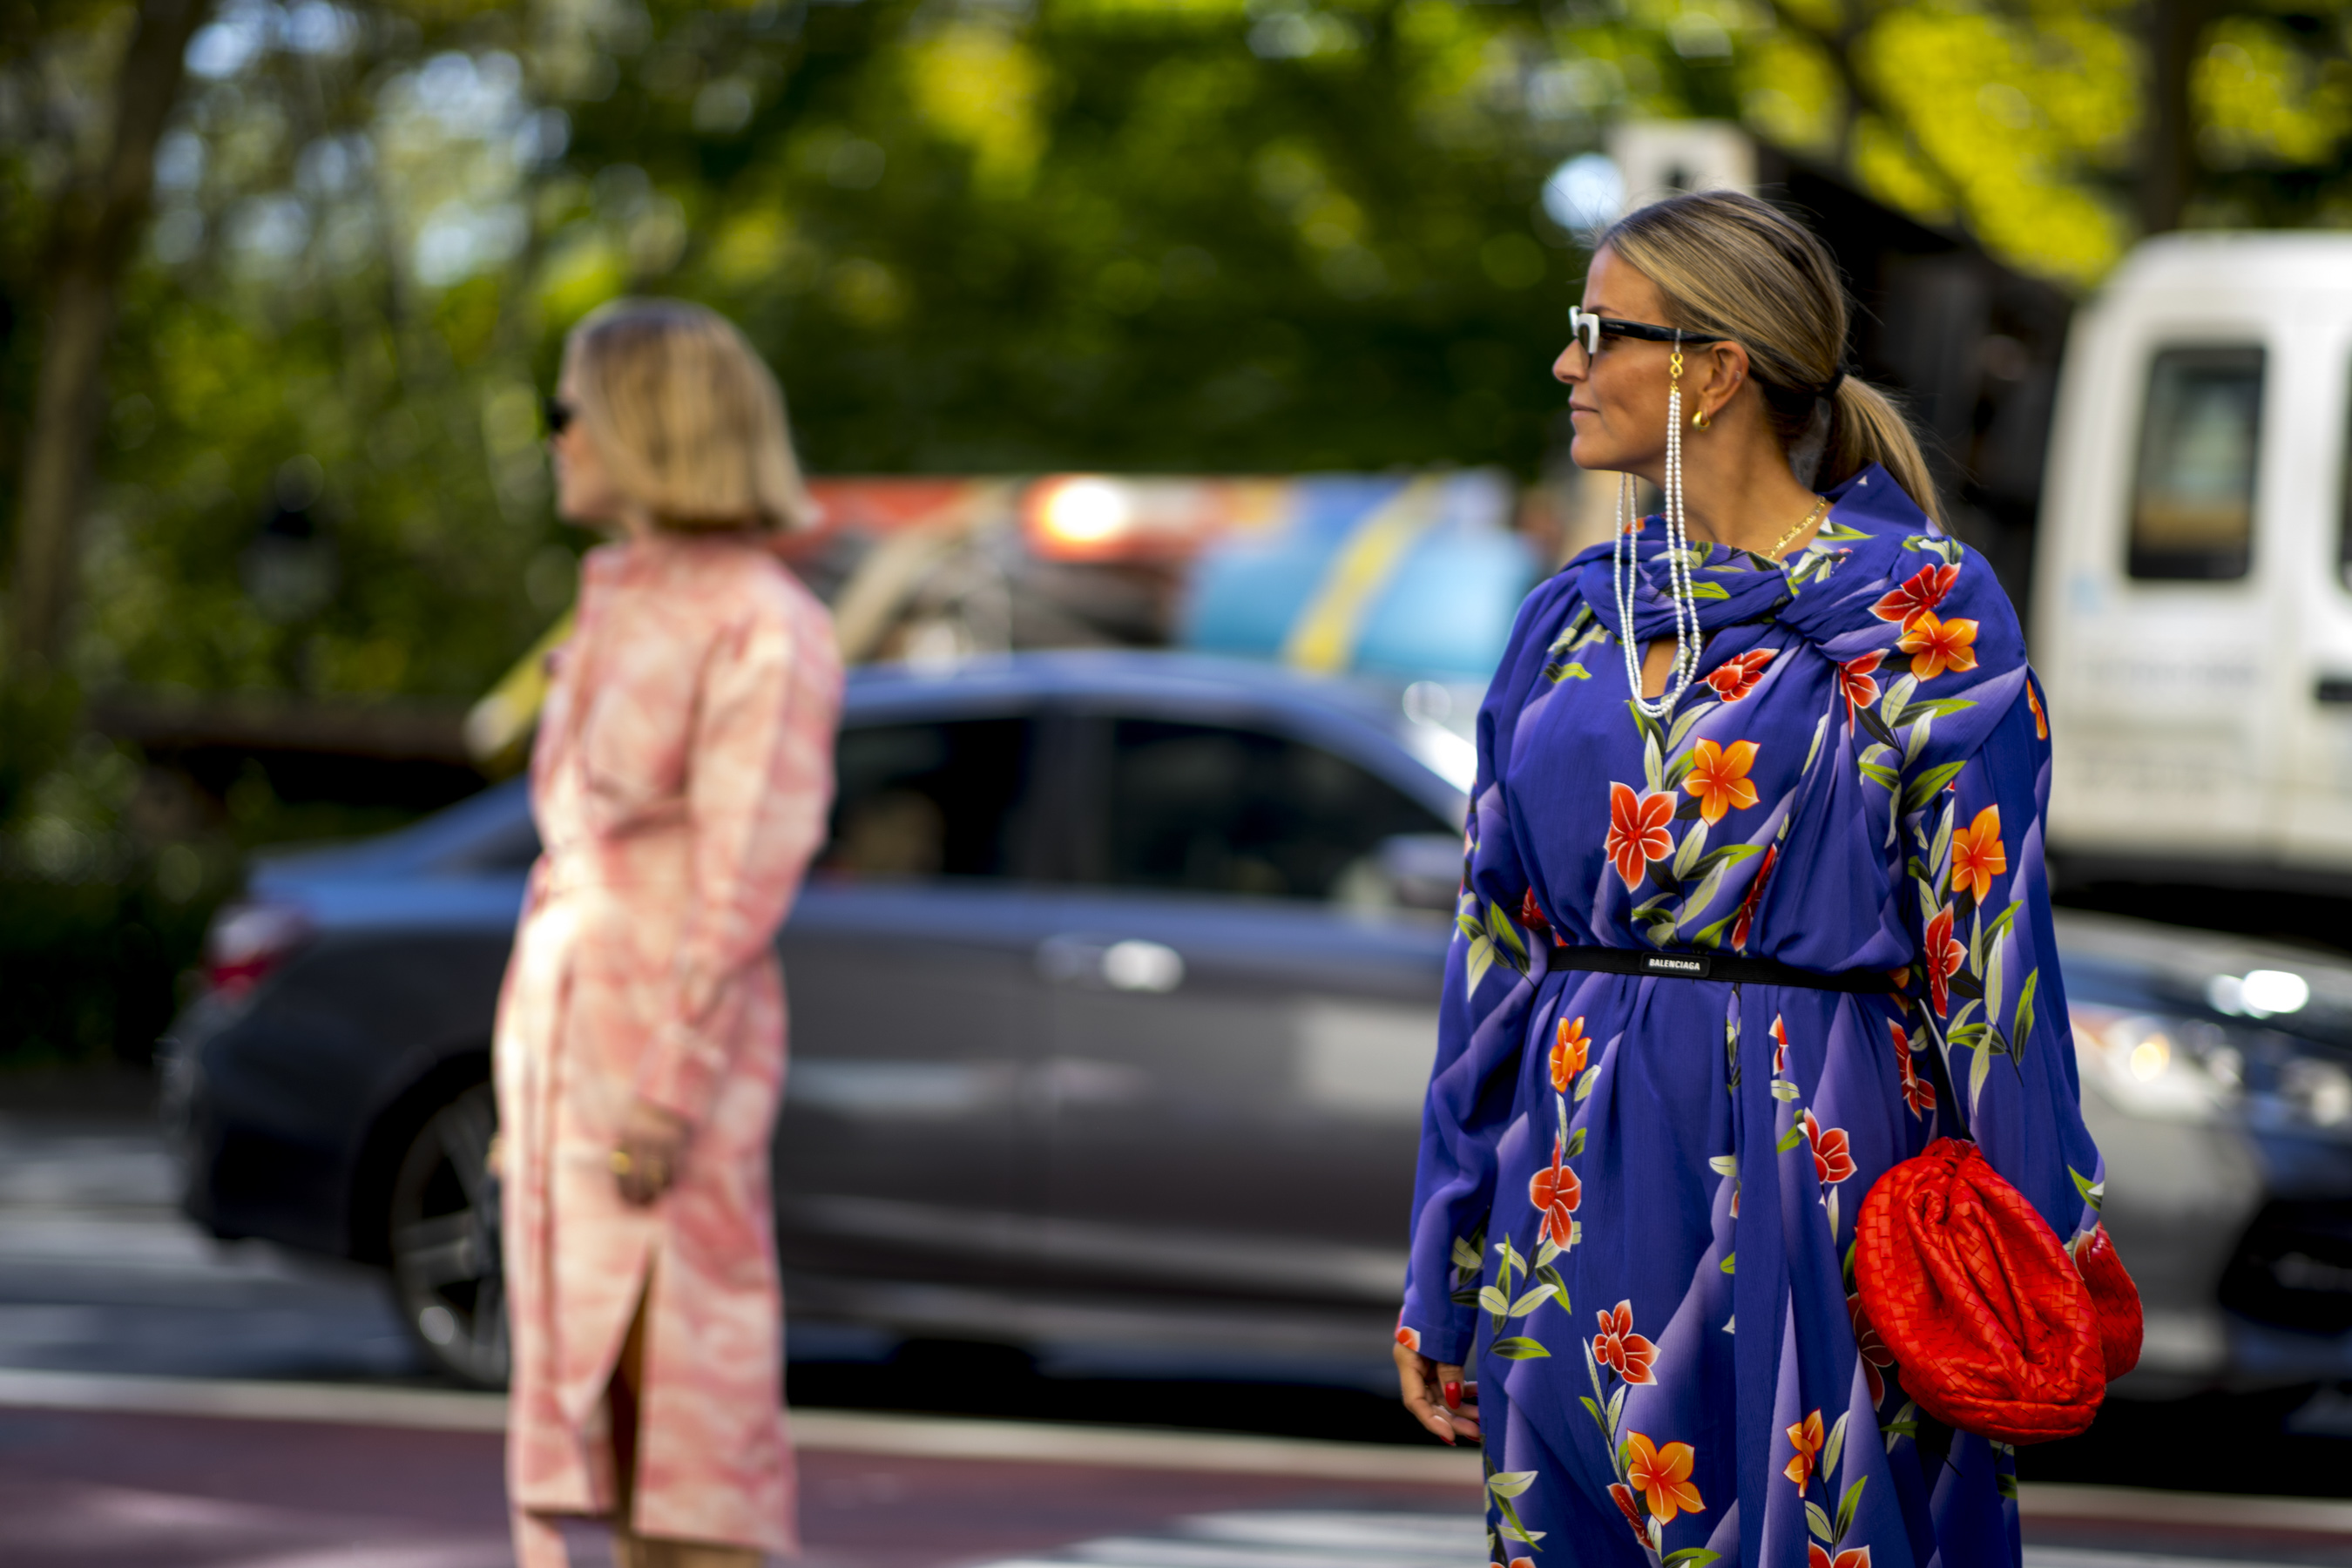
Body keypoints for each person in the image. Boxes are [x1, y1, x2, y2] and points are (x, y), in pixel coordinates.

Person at [1393, 191, 2104, 1568]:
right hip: (1575, 1161)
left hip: (1816, 1160)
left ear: (1712, 372)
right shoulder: (1570, 619)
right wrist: (1449, 1250)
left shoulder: (1925, 613)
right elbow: (1494, 953)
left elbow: (1991, 954)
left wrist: (2040, 1256)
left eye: (1599, 331)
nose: (1566, 364)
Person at [496, 298, 842, 1568]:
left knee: (693, 1432)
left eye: (564, 411)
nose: (554, 441)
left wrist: (670, 1086)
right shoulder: (615, 598)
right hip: (570, 1033)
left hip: (661, 1054)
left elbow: (748, 870)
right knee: (601, 1407)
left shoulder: (765, 621)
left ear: (641, 422)